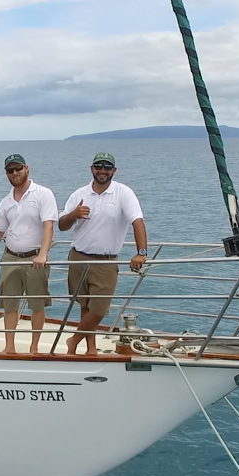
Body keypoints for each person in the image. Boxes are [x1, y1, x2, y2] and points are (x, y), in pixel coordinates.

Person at [57, 152, 148, 355]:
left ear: (114, 170)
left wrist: (141, 253)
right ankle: (90, 348)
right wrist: (74, 215)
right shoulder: (79, 194)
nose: (102, 171)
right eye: (99, 166)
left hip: (105, 261)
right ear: (92, 169)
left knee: (98, 308)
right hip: (78, 257)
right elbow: (62, 225)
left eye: (107, 167)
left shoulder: (123, 193)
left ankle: (73, 340)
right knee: (85, 304)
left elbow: (137, 221)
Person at [0, 154, 57, 354]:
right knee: (9, 305)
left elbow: (49, 226)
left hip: (35, 258)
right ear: (6, 174)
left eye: (18, 168)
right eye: (10, 170)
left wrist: (43, 254)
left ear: (26, 168)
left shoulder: (43, 194)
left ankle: (34, 347)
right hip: (10, 257)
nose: (15, 173)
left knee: (37, 305)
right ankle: (9, 347)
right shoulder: (6, 202)